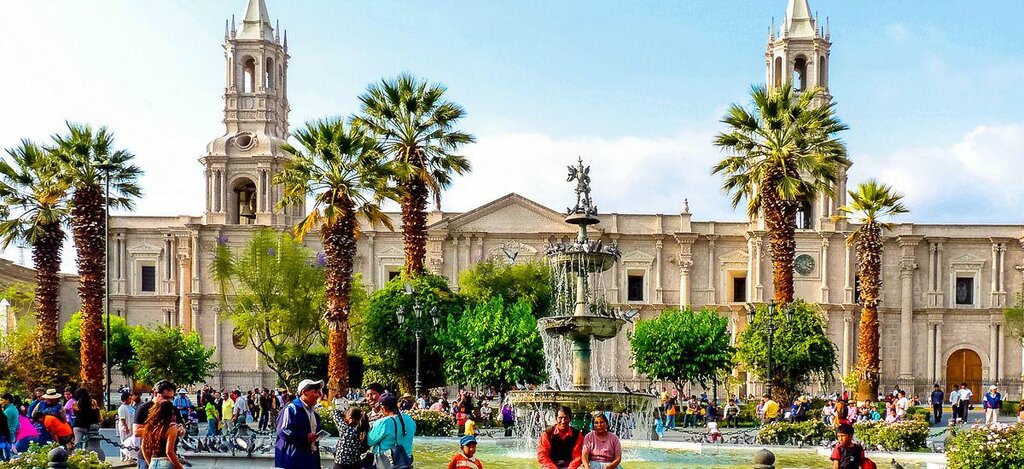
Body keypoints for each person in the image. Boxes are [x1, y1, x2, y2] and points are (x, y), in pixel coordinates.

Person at [275, 379, 325, 469]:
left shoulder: (314, 414)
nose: (319, 395)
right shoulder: (291, 409)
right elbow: (283, 431)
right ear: (305, 392)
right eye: (315, 392)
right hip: (294, 460)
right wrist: (304, 437)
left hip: (310, 460)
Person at [134, 380, 178, 469]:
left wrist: (179, 430)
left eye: (171, 398)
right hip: (148, 455)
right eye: (165, 397)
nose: (169, 400)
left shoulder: (173, 408)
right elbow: (136, 431)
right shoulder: (144, 408)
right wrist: (162, 430)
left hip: (167, 457)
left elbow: (180, 426)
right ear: (155, 393)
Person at [367, 393, 416, 465]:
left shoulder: (384, 422)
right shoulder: (409, 419)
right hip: (406, 461)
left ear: (383, 408)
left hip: (387, 462)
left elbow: (369, 441)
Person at [140, 401, 184, 469]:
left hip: (153, 461)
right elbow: (169, 452)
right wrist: (179, 466)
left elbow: (143, 447)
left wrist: (150, 463)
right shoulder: (171, 429)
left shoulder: (150, 428)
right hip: (167, 462)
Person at [117, 393, 137, 462]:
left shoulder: (131, 407)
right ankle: (123, 457)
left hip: (131, 427)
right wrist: (126, 427)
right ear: (125, 399)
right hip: (125, 428)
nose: (130, 400)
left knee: (130, 442)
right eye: (129, 398)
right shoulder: (122, 408)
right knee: (124, 442)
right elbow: (122, 419)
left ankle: (130, 457)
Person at [1, 393, 17, 461]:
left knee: (7, 456)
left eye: (2, 400)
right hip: (11, 433)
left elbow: (3, 424)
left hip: (8, 434)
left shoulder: (8, 411)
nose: (1, 402)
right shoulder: (13, 408)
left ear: (7, 400)